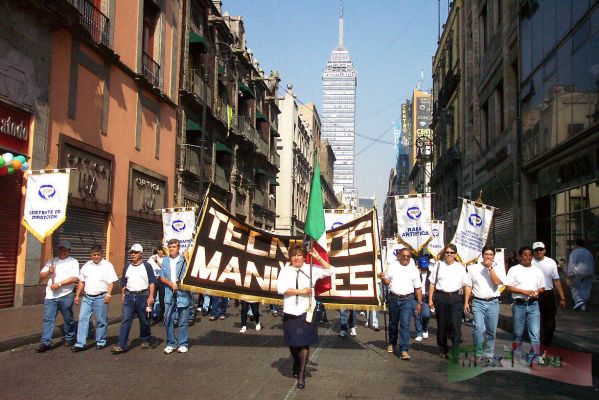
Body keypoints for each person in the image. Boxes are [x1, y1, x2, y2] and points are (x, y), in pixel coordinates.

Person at [278, 243, 334, 389]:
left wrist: (318, 258)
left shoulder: (311, 269)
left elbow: (331, 270)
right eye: (294, 255)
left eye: (299, 255)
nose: (296, 258)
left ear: (304, 257)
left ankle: (302, 375)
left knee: (303, 342)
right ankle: (296, 361)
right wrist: (300, 291)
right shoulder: (285, 270)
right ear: (290, 257)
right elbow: (281, 289)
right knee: (292, 344)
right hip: (290, 310)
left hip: (306, 310)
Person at [463, 246, 505, 365]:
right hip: (478, 302)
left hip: (493, 302)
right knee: (479, 328)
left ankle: (488, 354)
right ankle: (478, 353)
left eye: (491, 254)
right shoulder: (473, 268)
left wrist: (490, 268)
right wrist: (466, 302)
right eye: (486, 254)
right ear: (482, 255)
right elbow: (468, 285)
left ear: (494, 256)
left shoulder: (498, 268)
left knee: (491, 331)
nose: (488, 256)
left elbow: (497, 282)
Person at [379, 247, 422, 360]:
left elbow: (418, 288)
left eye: (408, 256)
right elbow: (387, 282)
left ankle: (404, 349)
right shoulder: (393, 266)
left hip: (407, 300)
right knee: (393, 323)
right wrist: (383, 278)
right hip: (394, 298)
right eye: (404, 255)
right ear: (399, 256)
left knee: (405, 324)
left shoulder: (414, 270)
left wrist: (419, 303)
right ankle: (392, 342)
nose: (406, 258)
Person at [36, 240, 80, 352]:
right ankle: (45, 342)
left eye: (64, 249)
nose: (62, 251)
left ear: (69, 251)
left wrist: (59, 284)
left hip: (66, 295)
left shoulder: (73, 262)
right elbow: (41, 275)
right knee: (48, 319)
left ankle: (69, 337)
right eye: (60, 249)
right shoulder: (52, 261)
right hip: (50, 296)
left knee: (68, 318)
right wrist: (48, 272)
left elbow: (75, 278)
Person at [72, 245, 118, 352]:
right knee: (83, 318)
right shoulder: (87, 266)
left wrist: (108, 295)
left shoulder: (107, 265)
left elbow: (111, 282)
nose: (96, 257)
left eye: (98, 255)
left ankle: (100, 341)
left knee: (101, 320)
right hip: (87, 297)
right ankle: (80, 343)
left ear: (101, 254)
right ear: (91, 255)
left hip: (101, 297)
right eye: (94, 255)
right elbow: (82, 281)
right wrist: (77, 295)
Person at [112, 244, 156, 354]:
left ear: (141, 254)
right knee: (126, 320)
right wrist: (123, 295)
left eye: (135, 252)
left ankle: (145, 339)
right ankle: (122, 345)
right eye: (131, 252)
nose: (133, 254)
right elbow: (123, 283)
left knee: (144, 320)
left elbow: (152, 282)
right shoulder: (127, 266)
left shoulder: (147, 266)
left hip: (143, 296)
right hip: (129, 297)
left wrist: (151, 296)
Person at [505, 246, 545, 365]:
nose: (527, 257)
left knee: (535, 333)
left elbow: (542, 288)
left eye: (529, 254)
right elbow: (507, 287)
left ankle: (533, 358)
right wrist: (523, 292)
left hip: (533, 305)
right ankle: (517, 355)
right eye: (525, 254)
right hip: (519, 305)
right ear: (520, 256)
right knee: (518, 333)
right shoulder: (514, 269)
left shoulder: (537, 271)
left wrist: (537, 292)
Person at [428, 243, 468, 359]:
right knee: (442, 326)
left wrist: (466, 301)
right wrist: (430, 299)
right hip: (441, 297)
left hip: (456, 298)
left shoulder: (460, 267)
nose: (449, 254)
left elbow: (466, 285)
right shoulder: (438, 266)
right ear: (444, 253)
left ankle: (455, 350)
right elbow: (432, 283)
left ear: (455, 254)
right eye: (447, 252)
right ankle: (442, 349)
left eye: (452, 253)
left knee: (456, 325)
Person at [531, 241, 566, 350]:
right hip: (534, 295)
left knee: (550, 324)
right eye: (536, 250)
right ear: (533, 252)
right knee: (536, 324)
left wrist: (562, 298)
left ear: (545, 250)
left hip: (548, 294)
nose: (539, 252)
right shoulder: (529, 262)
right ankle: (537, 348)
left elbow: (556, 280)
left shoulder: (551, 262)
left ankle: (546, 346)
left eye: (541, 249)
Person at [160, 239, 193, 354]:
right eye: (170, 247)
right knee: (168, 319)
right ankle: (171, 343)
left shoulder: (183, 259)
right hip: (169, 294)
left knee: (183, 320)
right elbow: (162, 277)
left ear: (178, 248)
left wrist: (187, 258)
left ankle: (183, 343)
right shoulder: (165, 261)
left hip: (182, 294)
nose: (172, 249)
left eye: (174, 247)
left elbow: (191, 272)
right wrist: (171, 284)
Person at [567, 239, 595, 311]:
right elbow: (592, 262)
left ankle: (579, 301)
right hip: (588, 273)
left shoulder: (575, 252)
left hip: (578, 273)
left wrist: (570, 273)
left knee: (574, 287)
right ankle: (583, 305)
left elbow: (572, 263)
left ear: (576, 244)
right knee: (585, 289)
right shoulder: (588, 252)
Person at [414, 255, 431, 341]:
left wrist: (431, 293)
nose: (424, 268)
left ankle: (425, 328)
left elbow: (434, 285)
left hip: (426, 298)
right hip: (417, 297)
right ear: (419, 265)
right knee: (417, 315)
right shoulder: (415, 273)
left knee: (426, 315)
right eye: (422, 266)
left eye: (426, 266)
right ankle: (419, 333)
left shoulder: (431, 274)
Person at [147, 245, 166, 322]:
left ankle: (161, 316)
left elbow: (165, 267)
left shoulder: (166, 258)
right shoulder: (152, 258)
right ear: (158, 250)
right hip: (154, 279)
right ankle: (150, 315)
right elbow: (148, 266)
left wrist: (156, 262)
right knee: (152, 298)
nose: (164, 252)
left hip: (162, 279)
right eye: (162, 251)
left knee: (162, 299)